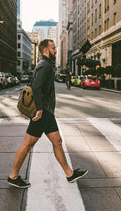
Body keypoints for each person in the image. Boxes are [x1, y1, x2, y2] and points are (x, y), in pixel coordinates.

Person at [8, 39, 88, 188]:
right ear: (46, 50)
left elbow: (32, 85)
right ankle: (13, 176)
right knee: (27, 144)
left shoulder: (45, 65)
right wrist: (36, 109)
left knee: (57, 141)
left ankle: (69, 174)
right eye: (53, 48)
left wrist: (30, 109)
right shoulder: (44, 66)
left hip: (47, 111)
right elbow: (36, 87)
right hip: (43, 111)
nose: (56, 51)